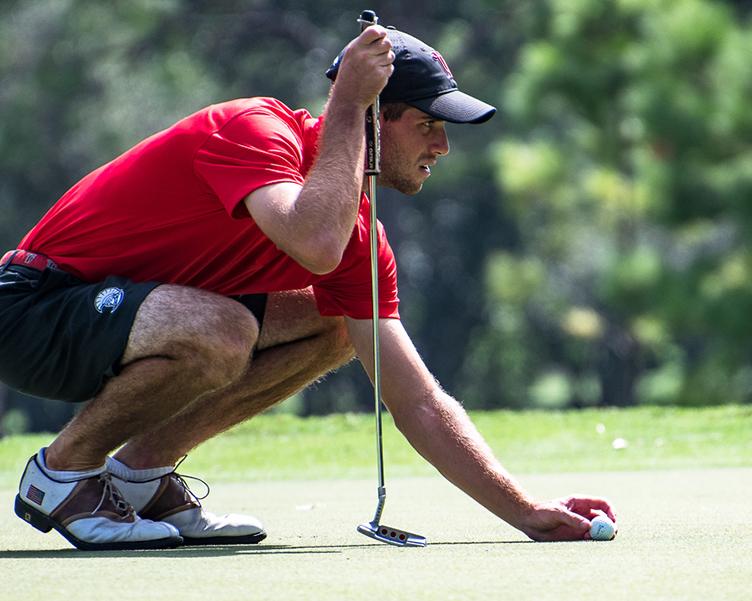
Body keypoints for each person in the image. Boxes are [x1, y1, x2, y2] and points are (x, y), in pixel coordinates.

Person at [1, 24, 616, 551]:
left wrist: (525, 511)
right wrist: (349, 103)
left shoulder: (362, 245)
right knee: (225, 330)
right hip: (29, 308)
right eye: (427, 124)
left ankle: (139, 474)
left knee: (334, 320)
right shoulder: (256, 129)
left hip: (120, 327)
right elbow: (313, 240)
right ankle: (61, 476)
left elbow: (419, 401)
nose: (443, 146)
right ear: (378, 116)